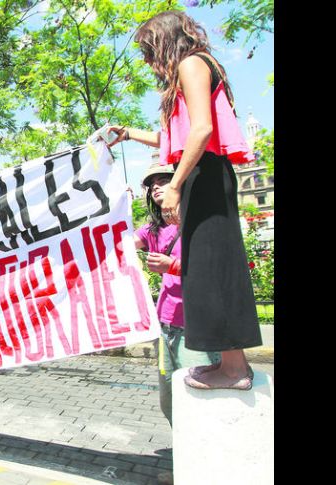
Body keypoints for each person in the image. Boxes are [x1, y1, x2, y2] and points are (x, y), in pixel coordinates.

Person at [108, 10, 260, 390]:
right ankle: (230, 363)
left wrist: (175, 184)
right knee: (206, 269)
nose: (148, 61)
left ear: (165, 41)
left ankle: (234, 369)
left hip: (203, 175)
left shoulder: (192, 64)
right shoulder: (195, 67)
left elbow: (202, 129)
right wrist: (128, 134)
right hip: (200, 174)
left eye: (149, 51)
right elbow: (176, 137)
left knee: (214, 267)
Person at [134, 163, 220, 425]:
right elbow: (118, 244)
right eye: (152, 185)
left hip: (197, 329)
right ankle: (184, 449)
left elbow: (217, 268)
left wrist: (172, 266)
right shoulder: (153, 230)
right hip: (165, 329)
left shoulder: (201, 221)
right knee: (170, 401)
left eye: (163, 181)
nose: (156, 187)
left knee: (201, 403)